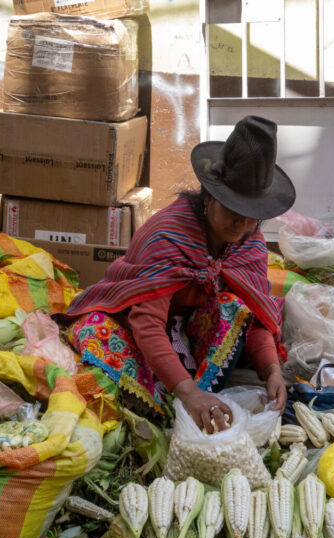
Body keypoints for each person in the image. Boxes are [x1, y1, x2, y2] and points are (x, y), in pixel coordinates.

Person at [64, 115, 294, 432]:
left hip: (188, 333)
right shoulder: (167, 235)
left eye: (250, 217)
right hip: (136, 327)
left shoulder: (248, 244)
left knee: (236, 308)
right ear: (210, 196)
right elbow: (147, 322)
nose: (240, 225)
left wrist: (272, 371)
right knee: (94, 331)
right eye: (232, 211)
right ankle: (174, 400)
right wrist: (186, 391)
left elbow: (256, 316)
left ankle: (196, 396)